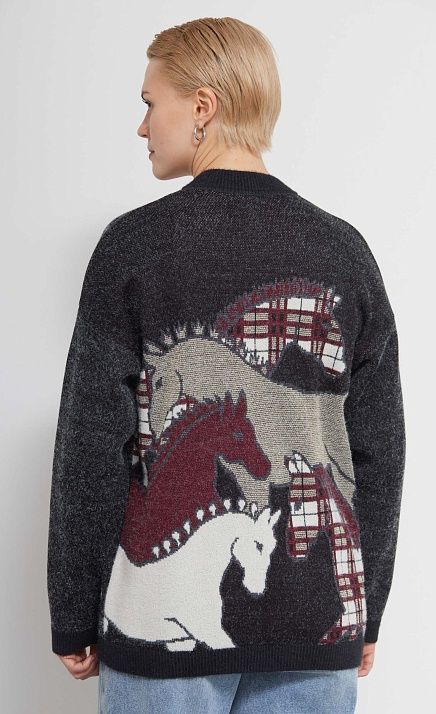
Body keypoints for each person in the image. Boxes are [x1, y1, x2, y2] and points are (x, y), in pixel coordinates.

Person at [47, 16, 406, 714]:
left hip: (162, 639)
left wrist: (73, 608)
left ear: (202, 106)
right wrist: (368, 608)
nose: (143, 126)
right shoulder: (345, 251)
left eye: (151, 103)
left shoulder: (134, 246)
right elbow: (379, 453)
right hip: (315, 630)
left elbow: (90, 444)